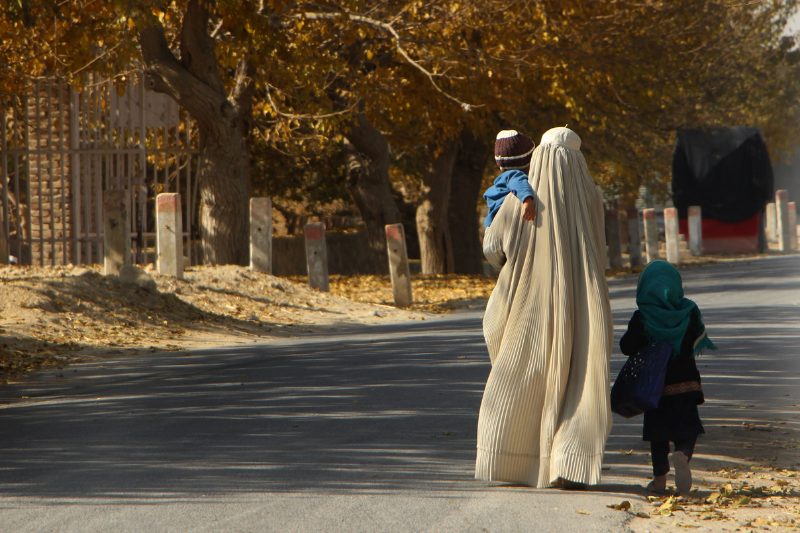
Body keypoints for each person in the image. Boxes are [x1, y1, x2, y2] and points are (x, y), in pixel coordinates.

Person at [475, 126, 613, 489]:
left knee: (523, 372)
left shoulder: (517, 201)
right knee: (579, 378)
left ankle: (515, 459)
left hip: (526, 302)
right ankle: (569, 462)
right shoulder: (592, 197)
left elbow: (492, 249)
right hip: (583, 299)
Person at [619, 260, 716, 495]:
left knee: (658, 434)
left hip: (656, 387)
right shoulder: (689, 311)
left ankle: (660, 479)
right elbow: (697, 339)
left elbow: (627, 346)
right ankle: (683, 454)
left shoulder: (642, 317)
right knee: (689, 427)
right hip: (686, 383)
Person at [483, 130, 537, 231]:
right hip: (504, 225)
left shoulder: (503, 179)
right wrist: (527, 200)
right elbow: (518, 183)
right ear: (530, 160)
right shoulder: (514, 175)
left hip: (492, 226)